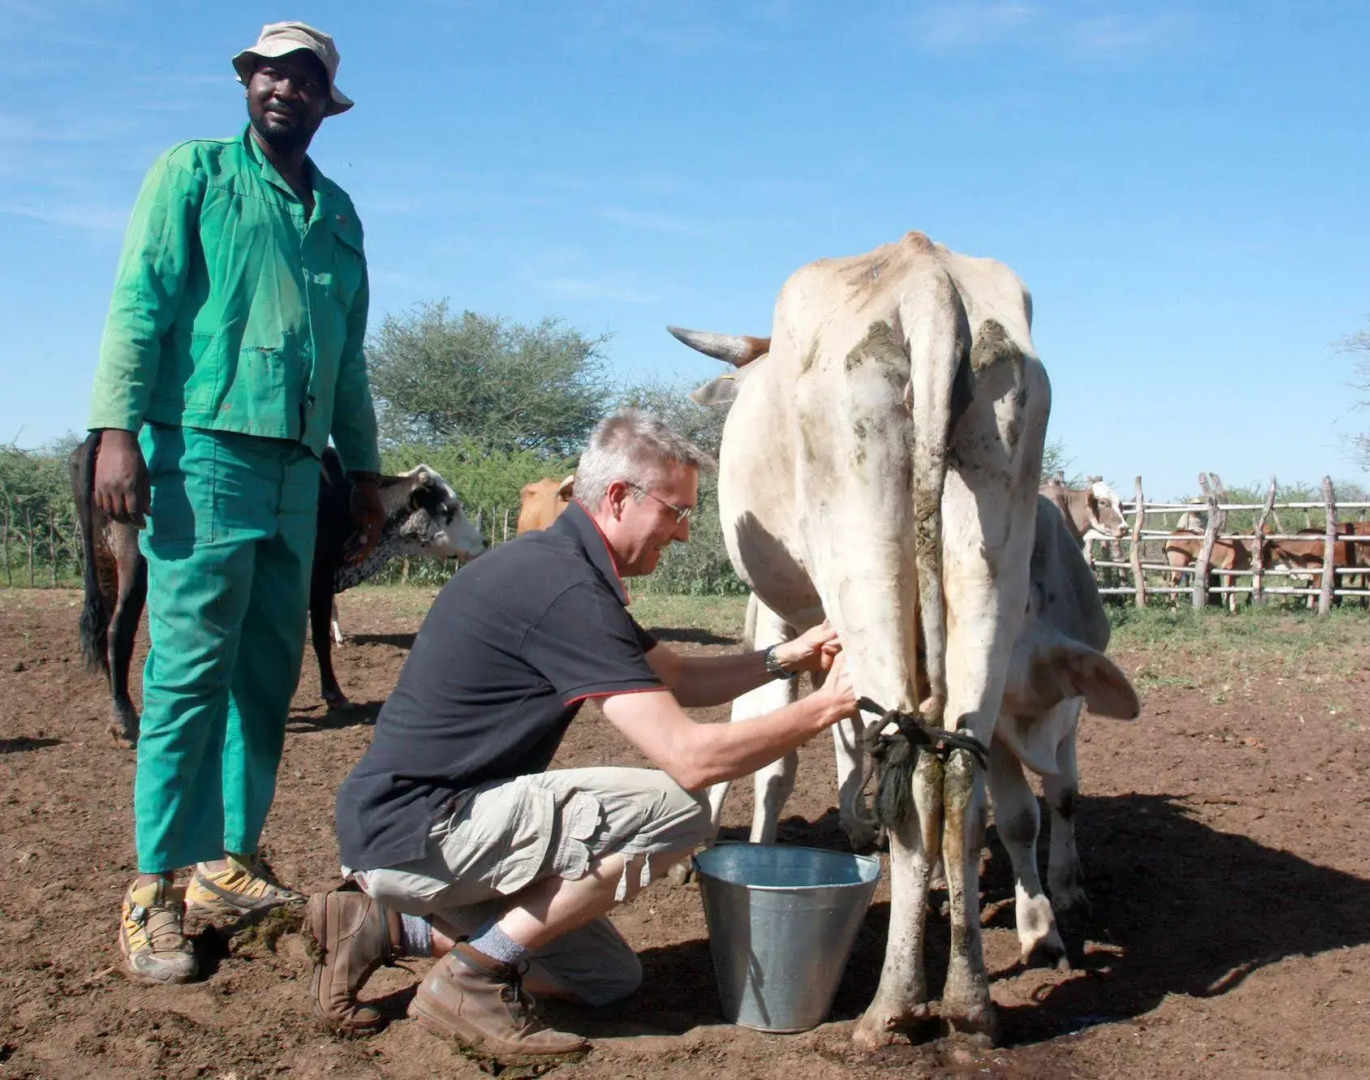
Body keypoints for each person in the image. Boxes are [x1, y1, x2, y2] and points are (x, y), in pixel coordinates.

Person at [312, 410, 859, 1060]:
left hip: (417, 833)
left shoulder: (560, 568)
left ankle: (388, 927)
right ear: (622, 498)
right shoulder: (563, 589)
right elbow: (691, 757)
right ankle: (474, 977)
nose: (683, 534)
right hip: (420, 830)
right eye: (677, 512)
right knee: (678, 811)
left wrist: (786, 658)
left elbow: (678, 677)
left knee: (605, 979)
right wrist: (828, 708)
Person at [86, 21, 385, 985]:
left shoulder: (338, 214)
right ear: (247, 83)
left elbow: (350, 368)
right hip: (202, 452)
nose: (283, 90)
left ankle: (231, 863)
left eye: (304, 80)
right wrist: (117, 430)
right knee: (185, 678)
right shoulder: (197, 174)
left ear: (325, 102)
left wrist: (368, 474)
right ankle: (154, 889)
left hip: (300, 471)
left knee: (265, 674)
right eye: (269, 73)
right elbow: (141, 301)